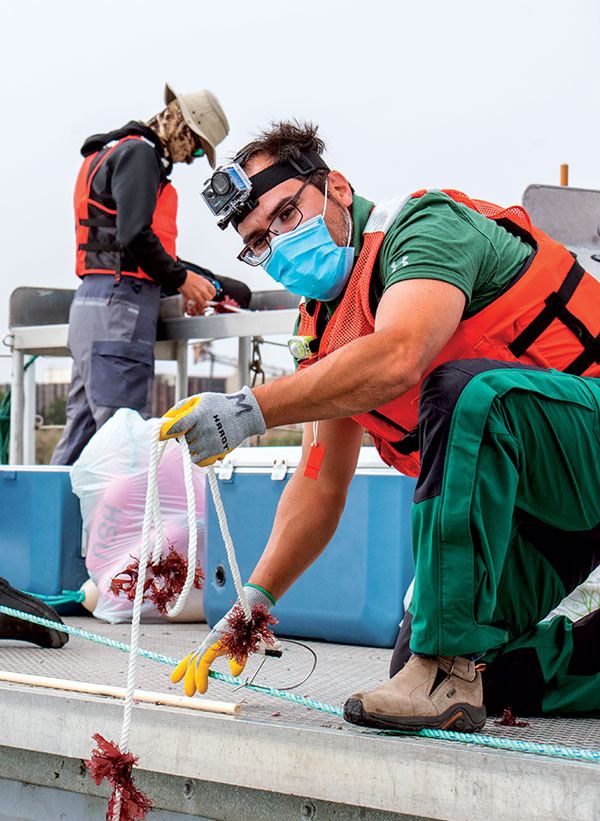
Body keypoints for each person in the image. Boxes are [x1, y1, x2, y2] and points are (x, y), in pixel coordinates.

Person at [160, 122, 600, 732]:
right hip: (539, 508)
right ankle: (474, 666)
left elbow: (400, 354)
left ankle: (444, 661)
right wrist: (250, 609)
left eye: (286, 214)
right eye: (259, 241)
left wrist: (248, 411)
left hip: (587, 445)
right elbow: (319, 483)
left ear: (336, 188)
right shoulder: (321, 334)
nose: (280, 245)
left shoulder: (425, 229)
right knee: (454, 670)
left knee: (471, 394)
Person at [51, 83, 230, 466]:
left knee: (80, 438)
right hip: (121, 307)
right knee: (123, 440)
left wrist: (187, 280)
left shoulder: (113, 152)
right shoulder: (140, 156)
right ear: (183, 125)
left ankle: (49, 526)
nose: (192, 158)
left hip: (94, 303)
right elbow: (135, 235)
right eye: (197, 147)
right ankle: (126, 528)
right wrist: (181, 280)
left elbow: (128, 242)